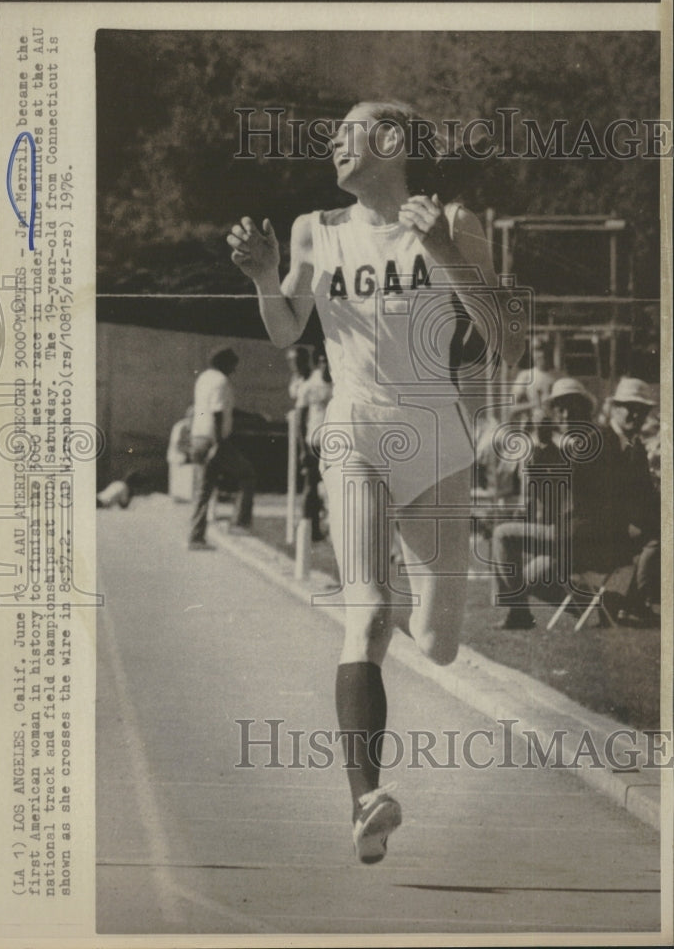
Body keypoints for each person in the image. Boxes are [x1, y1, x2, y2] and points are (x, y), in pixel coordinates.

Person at [227, 100, 523, 864]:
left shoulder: (454, 219)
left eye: (345, 134)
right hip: (354, 430)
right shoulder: (314, 229)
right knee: (366, 612)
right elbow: (288, 327)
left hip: (436, 440)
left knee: (439, 642)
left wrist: (444, 251)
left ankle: (412, 636)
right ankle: (366, 799)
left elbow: (503, 337)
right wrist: (265, 276)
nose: (331, 145)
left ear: (390, 141)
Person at [491, 377, 608, 629]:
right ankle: (600, 606)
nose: (564, 414)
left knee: (502, 535)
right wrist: (544, 446)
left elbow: (565, 479)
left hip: (583, 535)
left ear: (584, 409)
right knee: (529, 578)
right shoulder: (584, 437)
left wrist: (546, 443)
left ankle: (519, 614)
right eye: (559, 408)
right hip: (577, 533)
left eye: (570, 407)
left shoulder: (587, 439)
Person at [599, 377, 660, 617]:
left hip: (624, 522)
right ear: (615, 408)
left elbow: (645, 494)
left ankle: (634, 600)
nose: (636, 415)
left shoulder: (637, 446)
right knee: (658, 538)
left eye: (642, 411)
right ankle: (635, 602)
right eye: (630, 408)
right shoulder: (601, 442)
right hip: (599, 525)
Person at [188, 346, 255, 549]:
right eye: (233, 364)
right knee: (247, 474)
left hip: (198, 437)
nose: (234, 369)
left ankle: (196, 537)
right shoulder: (221, 381)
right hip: (213, 440)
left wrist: (252, 416)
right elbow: (218, 412)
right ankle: (239, 523)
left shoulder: (204, 379)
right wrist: (219, 444)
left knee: (203, 490)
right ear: (225, 363)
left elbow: (225, 409)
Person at [295, 347, 333, 541]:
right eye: (322, 361)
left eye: (329, 360)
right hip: (315, 443)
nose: (326, 364)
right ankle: (309, 529)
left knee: (333, 489)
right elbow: (300, 420)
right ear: (318, 362)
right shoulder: (310, 385)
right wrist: (302, 449)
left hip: (336, 444)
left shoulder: (341, 383)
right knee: (311, 488)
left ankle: (334, 530)